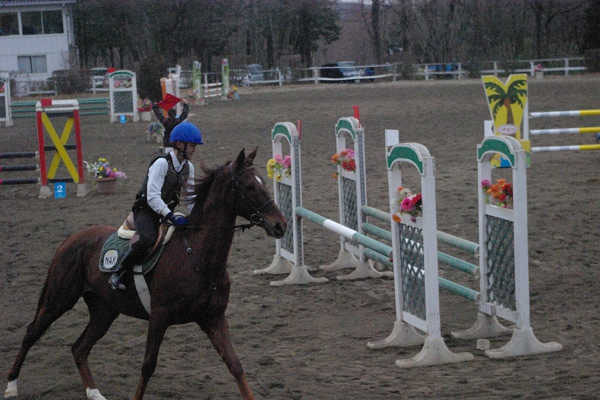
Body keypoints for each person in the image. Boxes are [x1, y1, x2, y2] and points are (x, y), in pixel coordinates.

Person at [109, 121, 203, 290]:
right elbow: (152, 197)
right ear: (179, 144)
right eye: (192, 146)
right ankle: (119, 272)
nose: (194, 150)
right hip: (146, 211)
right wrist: (170, 215)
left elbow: (190, 197)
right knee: (147, 239)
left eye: (195, 146)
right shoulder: (161, 163)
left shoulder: (189, 167)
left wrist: (197, 216)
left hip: (165, 213)